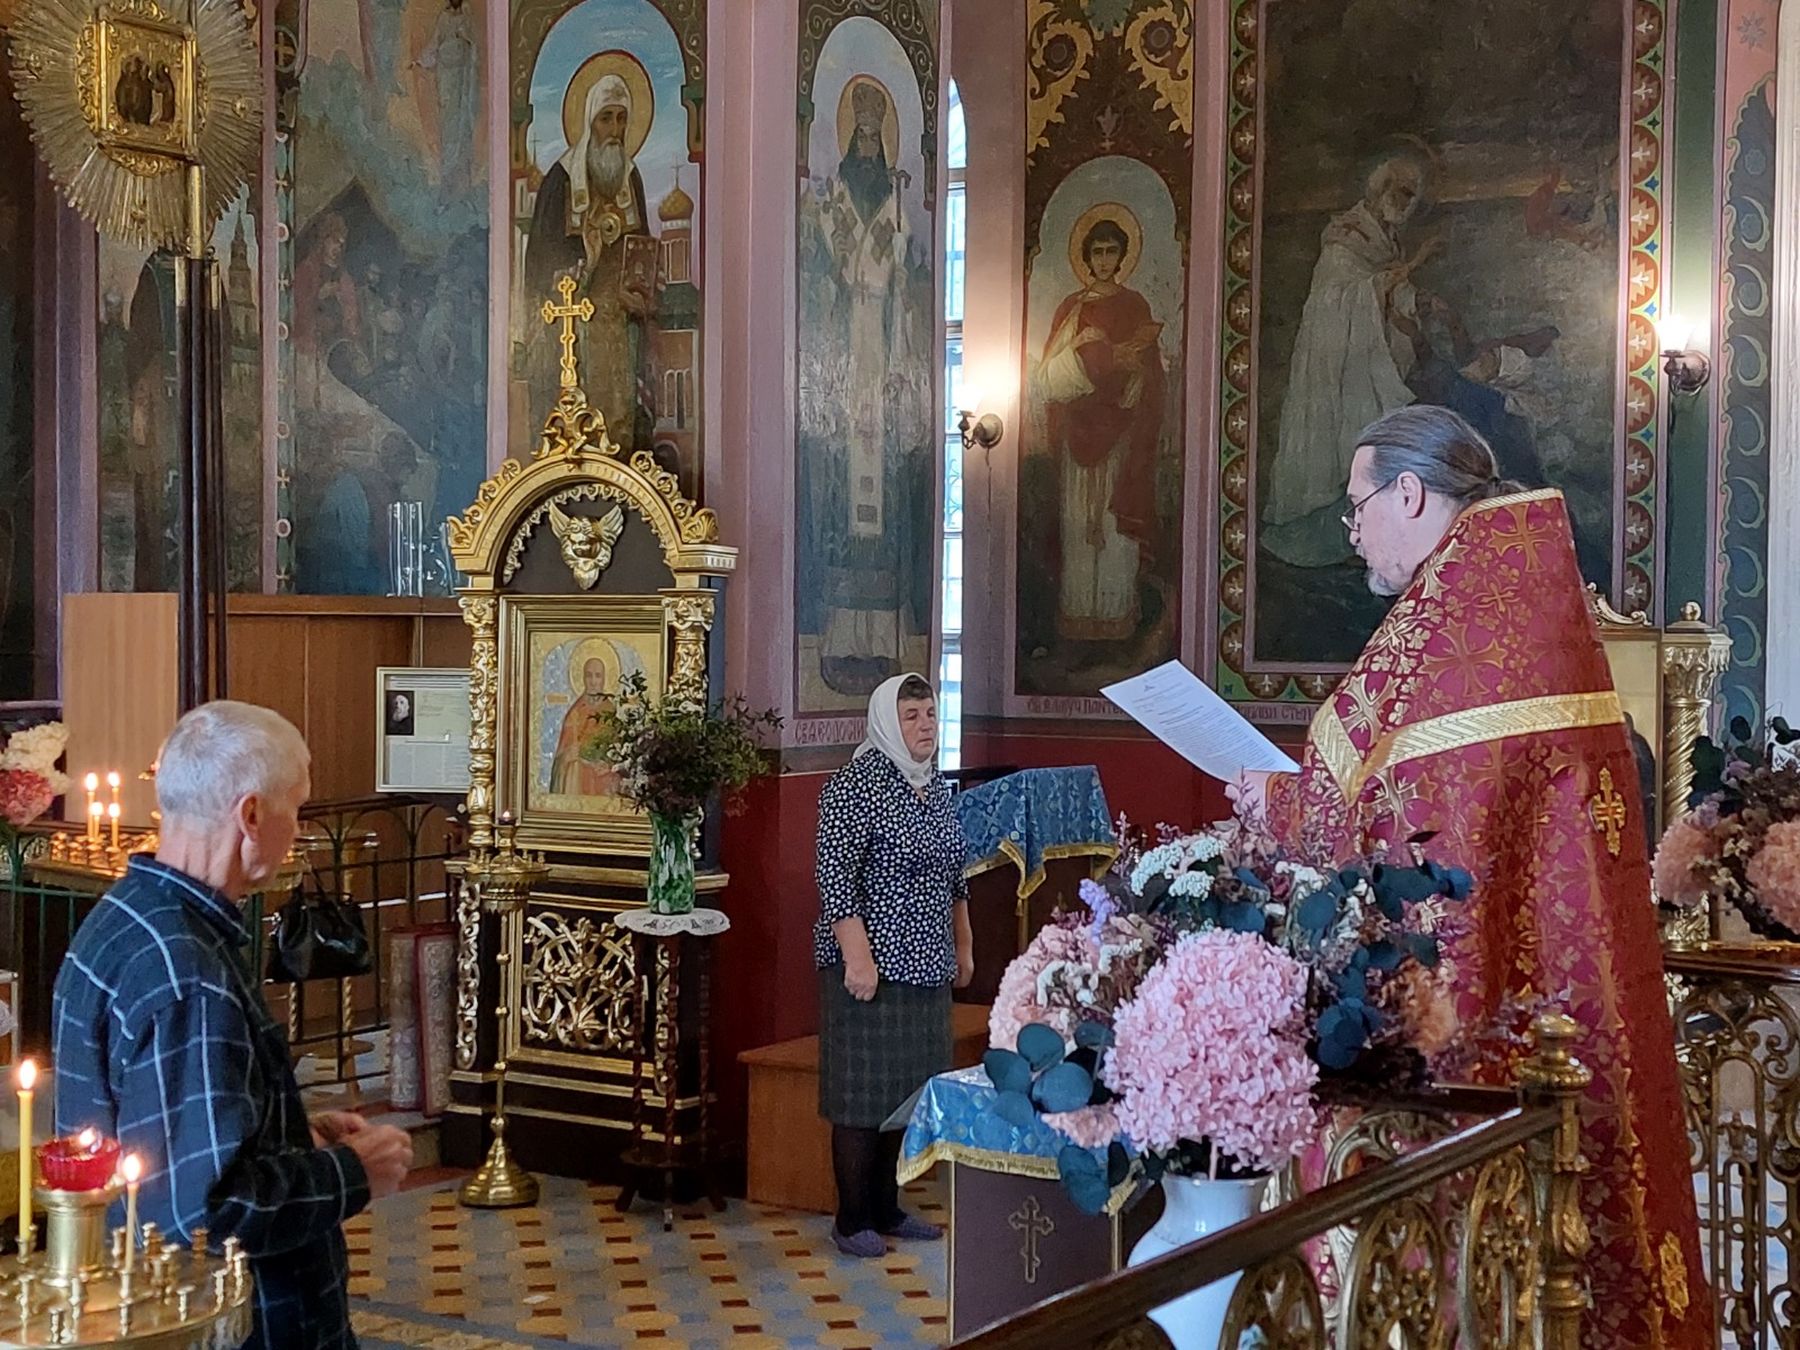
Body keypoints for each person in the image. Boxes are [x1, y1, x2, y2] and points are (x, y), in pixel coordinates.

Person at [1230, 405, 1709, 1348]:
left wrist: (1269, 802)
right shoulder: (1505, 598)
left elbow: (1404, 825)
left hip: (1482, 1032)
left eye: (1358, 505)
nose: (1353, 529)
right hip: (1560, 1007)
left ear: (1410, 493)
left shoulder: (1462, 630)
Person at [52, 702, 414, 1350]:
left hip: (141, 1303)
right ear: (250, 816)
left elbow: (168, 1137)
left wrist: (290, 1130)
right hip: (244, 1325)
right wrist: (353, 1171)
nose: (299, 832)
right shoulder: (187, 971)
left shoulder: (125, 916)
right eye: (295, 811)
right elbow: (205, 1212)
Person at [814, 674, 973, 1258]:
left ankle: (886, 1205)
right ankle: (852, 1216)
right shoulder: (853, 786)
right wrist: (858, 958)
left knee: (906, 1092)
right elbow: (836, 880)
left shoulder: (935, 787)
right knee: (862, 1097)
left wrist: (963, 945)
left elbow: (956, 874)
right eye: (911, 716)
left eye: (930, 714)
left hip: (927, 965)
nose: (926, 725)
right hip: (869, 970)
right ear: (885, 722)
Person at [1261, 157, 1436, 569]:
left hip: (1367, 361)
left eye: (1415, 197)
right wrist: (1414, 265)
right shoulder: (1346, 237)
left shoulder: (1388, 241)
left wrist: (1417, 300)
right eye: (1403, 192)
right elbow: (1339, 299)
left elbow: (1393, 294)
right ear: (1381, 187)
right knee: (1336, 448)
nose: (1408, 204)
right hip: (1332, 360)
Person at [1036, 215, 1165, 651]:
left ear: (1123, 256)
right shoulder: (1071, 308)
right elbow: (1048, 376)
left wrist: (1133, 378)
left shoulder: (1134, 306)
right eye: (1098, 252)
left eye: (1112, 251)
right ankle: (1078, 623)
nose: (1105, 260)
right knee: (1079, 522)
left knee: (1110, 524)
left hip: (1120, 431)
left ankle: (1114, 620)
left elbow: (1150, 373)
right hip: (1079, 430)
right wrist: (1094, 354)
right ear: (1086, 258)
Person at [522, 74, 653, 449]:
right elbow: (539, 264)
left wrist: (638, 292)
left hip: (617, 325)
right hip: (573, 322)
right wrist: (581, 266)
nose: (615, 129)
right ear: (589, 121)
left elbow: (640, 254)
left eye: (621, 118)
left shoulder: (630, 178)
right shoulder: (561, 180)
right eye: (606, 118)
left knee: (622, 423)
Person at [548, 657, 622, 797]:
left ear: (604, 679)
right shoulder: (575, 713)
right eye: (589, 675)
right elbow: (559, 760)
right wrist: (568, 756)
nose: (593, 681)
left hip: (604, 786)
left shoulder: (611, 712)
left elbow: (622, 755)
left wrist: (609, 765)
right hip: (578, 784)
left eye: (598, 676)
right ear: (583, 678)